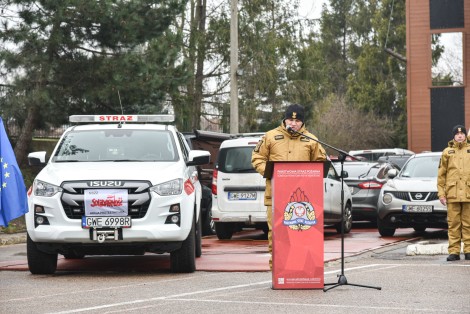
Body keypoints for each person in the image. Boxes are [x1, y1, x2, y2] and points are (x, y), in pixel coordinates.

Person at [251, 104, 327, 269]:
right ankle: (277, 271)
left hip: (303, 199)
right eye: (290, 119)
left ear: (302, 122)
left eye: (297, 120)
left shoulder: (311, 140)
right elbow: (257, 157)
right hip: (276, 196)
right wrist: (271, 173)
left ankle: (301, 270)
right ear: (284, 119)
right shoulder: (270, 137)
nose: (293, 123)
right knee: (277, 235)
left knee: (302, 234)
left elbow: (320, 163)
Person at [437, 125, 470, 261]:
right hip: (452, 194)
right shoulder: (447, 152)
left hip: (468, 193)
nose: (460, 136)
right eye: (457, 134)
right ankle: (454, 252)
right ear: (453, 136)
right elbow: (441, 175)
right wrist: (441, 194)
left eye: (462, 134)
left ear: (465, 136)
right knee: (453, 224)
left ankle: (468, 250)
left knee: (468, 224)